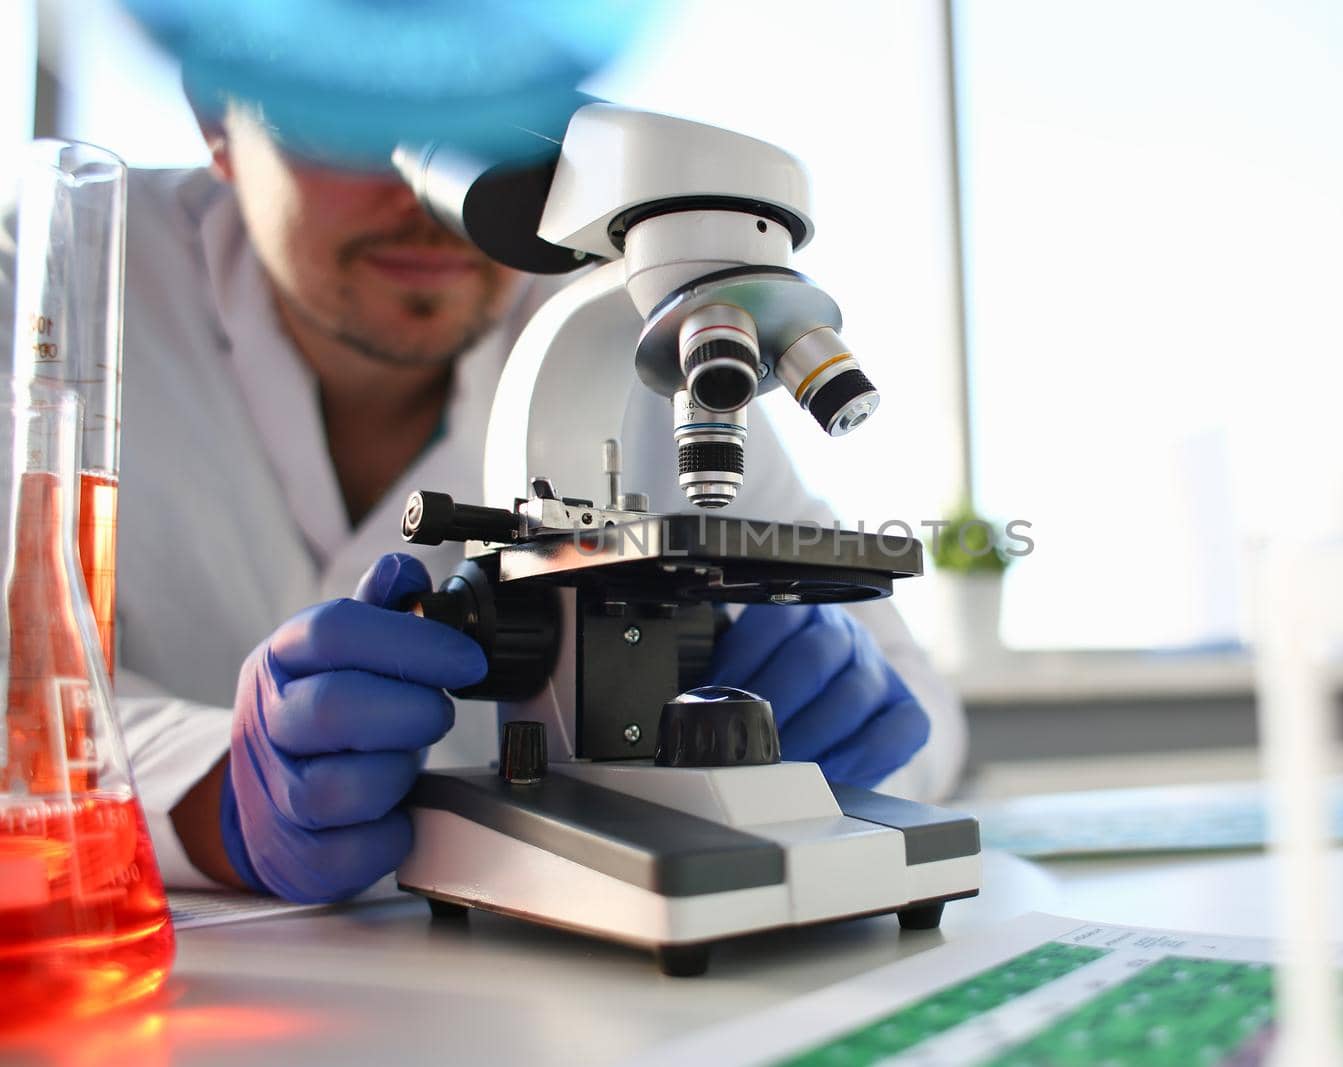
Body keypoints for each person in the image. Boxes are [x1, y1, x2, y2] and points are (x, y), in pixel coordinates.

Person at [0, 96, 966, 903]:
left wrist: (847, 734)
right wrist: (203, 791)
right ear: (220, 118)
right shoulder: (56, 282)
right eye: (353, 112)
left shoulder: (623, 314)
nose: (432, 203)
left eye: (494, 117)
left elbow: (918, 701)